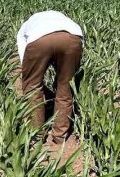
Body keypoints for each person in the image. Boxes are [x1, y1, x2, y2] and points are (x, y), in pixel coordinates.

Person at [16, 11, 84, 145]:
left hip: (39, 40)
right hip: (72, 38)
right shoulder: (67, 21)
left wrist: (30, 74)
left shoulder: (26, 26)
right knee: (65, 87)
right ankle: (60, 135)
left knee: (32, 87)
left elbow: (25, 59)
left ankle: (36, 135)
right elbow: (79, 47)